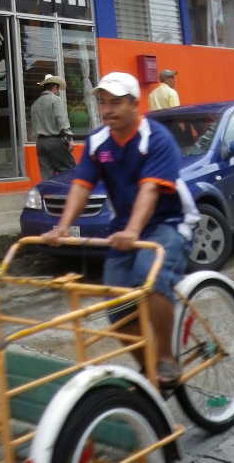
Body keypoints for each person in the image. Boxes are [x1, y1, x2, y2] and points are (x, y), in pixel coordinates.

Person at [43, 71, 198, 388]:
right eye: (103, 102)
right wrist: (62, 227)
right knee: (116, 304)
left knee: (150, 278)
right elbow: (81, 185)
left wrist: (134, 231)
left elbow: (150, 190)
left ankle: (166, 358)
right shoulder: (99, 142)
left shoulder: (156, 139)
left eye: (115, 102)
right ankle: (150, 370)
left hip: (169, 221)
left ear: (134, 104)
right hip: (125, 228)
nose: (107, 109)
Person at [31, 74, 75, 181]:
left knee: (47, 177)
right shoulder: (55, 100)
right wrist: (69, 139)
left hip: (40, 143)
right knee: (70, 171)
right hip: (55, 141)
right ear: (55, 87)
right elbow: (62, 120)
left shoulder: (34, 105)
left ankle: (49, 192)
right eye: (57, 89)